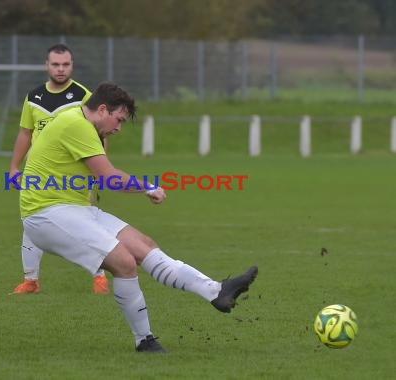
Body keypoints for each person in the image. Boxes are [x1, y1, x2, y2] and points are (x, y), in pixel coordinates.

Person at [19, 82, 258, 353]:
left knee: (143, 246)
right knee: (124, 261)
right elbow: (109, 178)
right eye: (118, 119)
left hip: (75, 209)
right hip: (46, 214)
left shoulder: (80, 120)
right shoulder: (77, 125)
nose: (118, 128)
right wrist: (148, 186)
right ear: (101, 109)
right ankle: (144, 340)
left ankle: (216, 292)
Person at [9, 43, 109, 294]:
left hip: (72, 174)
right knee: (32, 220)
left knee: (86, 222)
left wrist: (100, 169)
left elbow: (99, 132)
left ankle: (99, 276)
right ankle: (31, 280)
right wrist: (13, 166)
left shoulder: (84, 96)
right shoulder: (34, 97)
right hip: (39, 172)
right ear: (47, 65)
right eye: (56, 64)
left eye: (66, 64)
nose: (61, 69)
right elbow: (25, 132)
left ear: (72, 65)